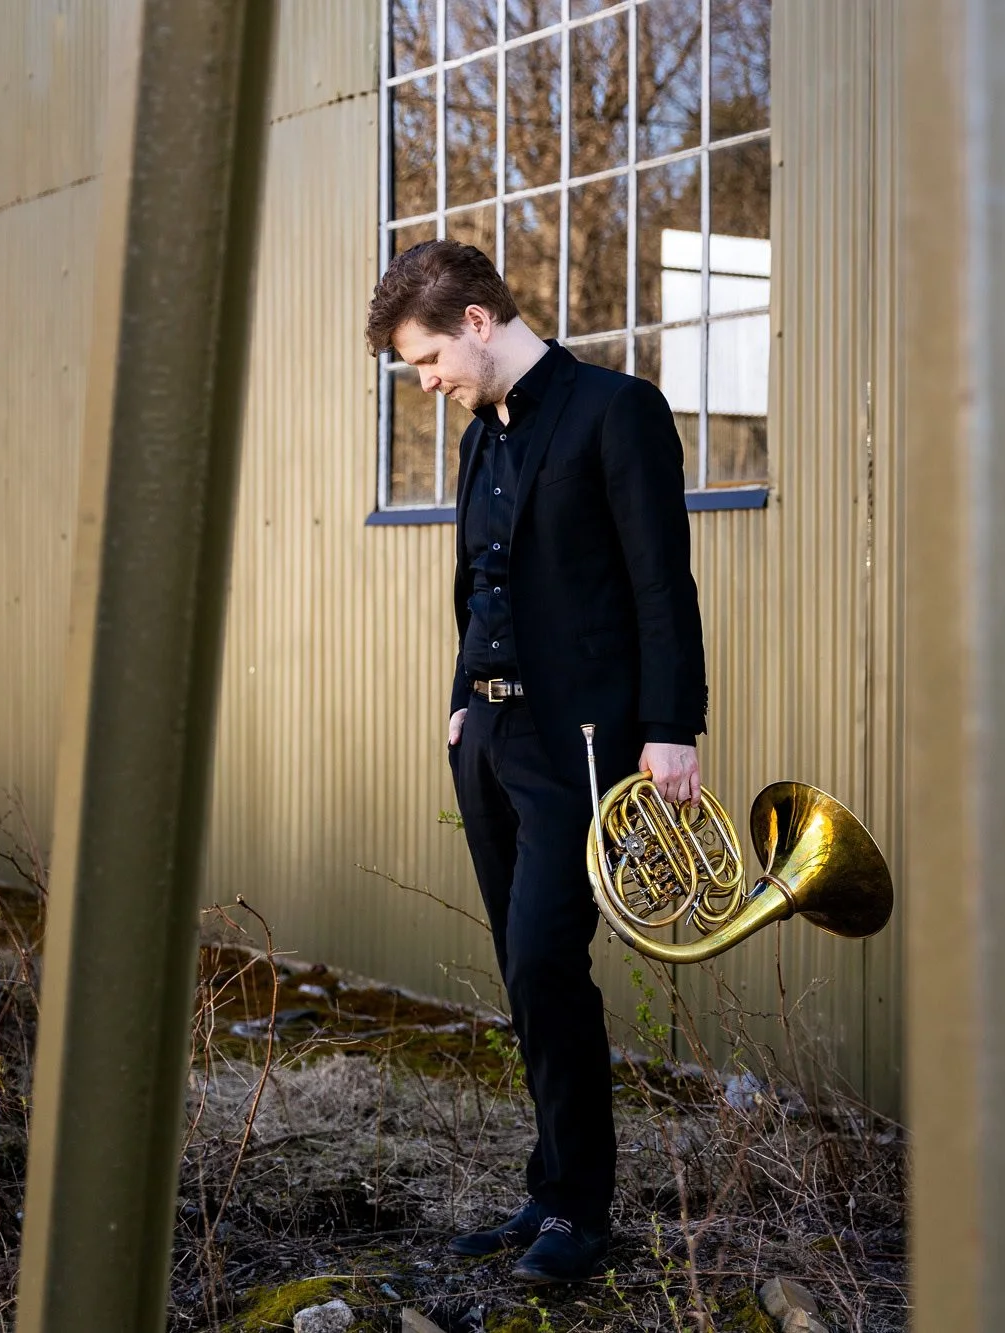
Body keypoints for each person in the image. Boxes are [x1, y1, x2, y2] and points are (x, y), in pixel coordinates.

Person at [365, 239, 707, 1283]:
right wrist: (463, 703)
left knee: (550, 961)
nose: (425, 385)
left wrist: (672, 728)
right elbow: (481, 581)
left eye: (426, 360)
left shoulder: (618, 411)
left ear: (476, 320)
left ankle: (581, 1210)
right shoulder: (483, 437)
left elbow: (661, 584)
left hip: (587, 745)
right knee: (523, 972)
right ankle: (549, 1186)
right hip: (492, 742)